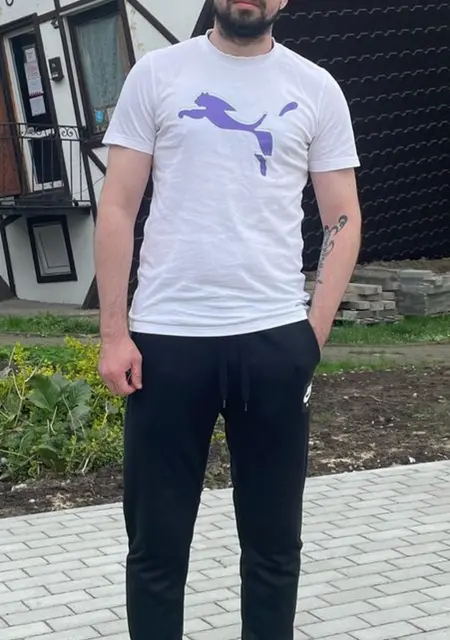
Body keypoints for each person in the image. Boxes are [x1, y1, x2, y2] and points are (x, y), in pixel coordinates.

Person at [95, 1, 362, 638]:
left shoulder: (315, 86)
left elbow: (343, 215)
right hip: (167, 342)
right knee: (156, 550)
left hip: (273, 342)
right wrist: (114, 333)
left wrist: (312, 335)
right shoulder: (158, 74)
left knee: (274, 549)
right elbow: (118, 206)